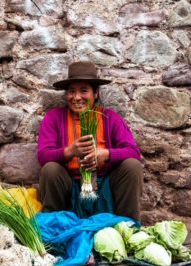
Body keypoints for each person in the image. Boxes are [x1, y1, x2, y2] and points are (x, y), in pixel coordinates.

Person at [37, 61, 143, 221]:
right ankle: (53, 226)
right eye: (71, 91)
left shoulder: (110, 118)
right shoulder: (54, 118)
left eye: (84, 91)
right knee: (50, 169)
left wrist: (105, 154)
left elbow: (133, 152)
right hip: (70, 185)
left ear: (95, 94)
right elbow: (43, 155)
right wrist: (70, 151)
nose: (77, 97)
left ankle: (127, 227)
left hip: (104, 186)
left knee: (132, 166)